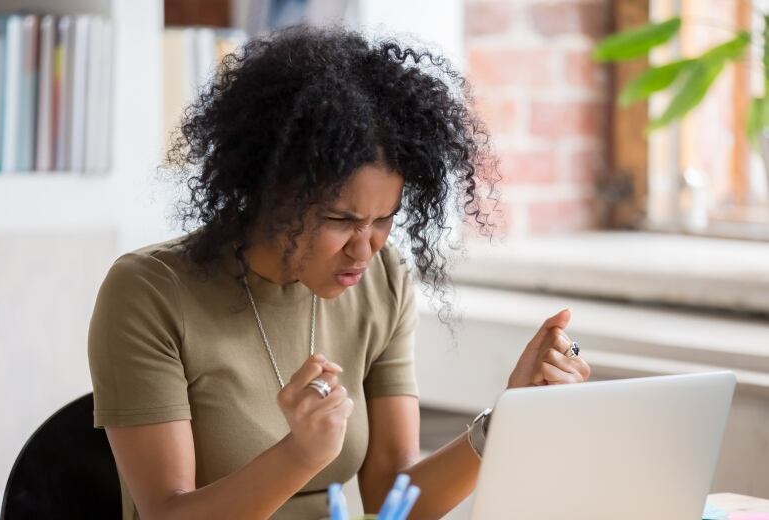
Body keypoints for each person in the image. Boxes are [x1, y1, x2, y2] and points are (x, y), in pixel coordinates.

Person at [87, 25, 590, 520]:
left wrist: (505, 421)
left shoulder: (382, 280)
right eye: (340, 220)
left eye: (383, 219)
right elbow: (166, 515)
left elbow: (395, 497)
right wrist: (299, 454)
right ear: (271, 192)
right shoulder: (150, 292)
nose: (365, 247)